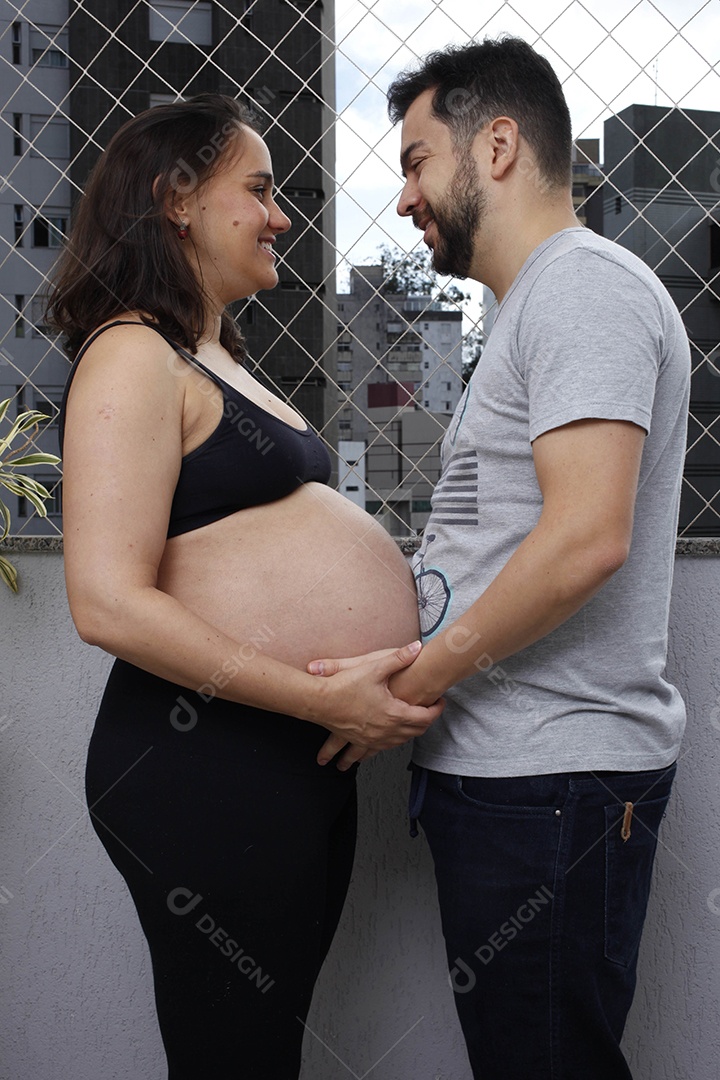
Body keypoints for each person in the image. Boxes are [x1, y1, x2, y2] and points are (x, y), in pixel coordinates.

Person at [311, 37, 690, 1080]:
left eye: (417, 161)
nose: (403, 199)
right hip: (522, 781)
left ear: (499, 144)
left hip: (552, 782)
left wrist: (408, 688)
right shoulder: (536, 305)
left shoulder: (582, 291)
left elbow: (583, 540)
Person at [50, 94, 443, 1079]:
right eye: (259, 191)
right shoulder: (131, 354)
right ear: (177, 200)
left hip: (281, 761)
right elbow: (106, 602)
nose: (282, 215)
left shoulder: (211, 353)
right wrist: (323, 696)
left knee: (262, 1047)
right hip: (204, 767)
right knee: (235, 1051)